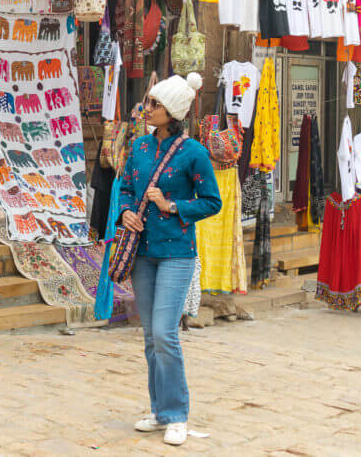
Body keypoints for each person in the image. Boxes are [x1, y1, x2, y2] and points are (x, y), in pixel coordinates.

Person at [118, 73, 222, 446]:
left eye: (153, 104)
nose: (146, 109)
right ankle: (160, 411)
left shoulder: (193, 151)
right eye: (147, 102)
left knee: (165, 333)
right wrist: (126, 212)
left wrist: (172, 205)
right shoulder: (141, 148)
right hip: (143, 252)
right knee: (149, 337)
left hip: (178, 252)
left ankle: (177, 414)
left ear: (172, 111)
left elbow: (212, 201)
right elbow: (127, 187)